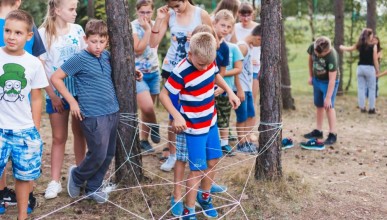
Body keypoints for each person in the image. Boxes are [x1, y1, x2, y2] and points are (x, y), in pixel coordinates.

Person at [51, 19, 143, 203]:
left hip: (112, 111)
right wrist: (72, 102)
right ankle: (77, 176)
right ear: (86, 39)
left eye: (102, 42)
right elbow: (56, 78)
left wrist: (133, 72)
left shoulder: (107, 56)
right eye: (94, 41)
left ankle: (93, 187)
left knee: (109, 153)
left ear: (107, 40)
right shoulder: (79, 59)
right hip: (92, 114)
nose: (98, 46)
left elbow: (118, 70)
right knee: (98, 152)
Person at [160, 32, 240, 219]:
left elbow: (215, 74)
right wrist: (177, 115)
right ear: (190, 54)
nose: (204, 68)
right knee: (196, 169)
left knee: (213, 162)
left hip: (210, 122)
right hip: (193, 129)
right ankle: (189, 210)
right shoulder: (181, 71)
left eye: (207, 64)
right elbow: (164, 95)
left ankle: (205, 198)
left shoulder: (208, 62)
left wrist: (230, 91)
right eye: (200, 64)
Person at [149, 0, 215, 172]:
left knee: (194, 111)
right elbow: (153, 43)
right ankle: (173, 154)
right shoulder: (169, 15)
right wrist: (159, 19)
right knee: (174, 114)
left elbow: (213, 40)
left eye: (177, 5)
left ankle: (196, 153)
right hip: (173, 70)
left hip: (195, 71)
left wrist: (196, 39)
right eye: (172, 6)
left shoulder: (201, 14)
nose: (175, 9)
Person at [0, 9, 48, 219]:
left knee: (23, 176)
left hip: (24, 131)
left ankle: (22, 215)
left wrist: (35, 128)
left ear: (29, 36)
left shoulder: (34, 63)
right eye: (8, 30)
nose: (11, 36)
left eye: (18, 33)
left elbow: (36, 97)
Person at [39, 0, 87, 200]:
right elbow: (41, 67)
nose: (75, 12)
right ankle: (55, 181)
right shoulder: (43, 34)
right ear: (57, 10)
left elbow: (87, 56)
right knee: (59, 137)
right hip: (56, 93)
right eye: (72, 9)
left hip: (79, 91)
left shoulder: (77, 30)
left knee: (80, 134)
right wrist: (51, 94)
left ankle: (80, 177)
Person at [132, 0, 160, 153]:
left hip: (154, 72)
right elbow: (138, 50)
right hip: (138, 74)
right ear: (137, 12)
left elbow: (155, 45)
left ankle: (144, 140)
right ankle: (155, 126)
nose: (145, 15)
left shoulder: (156, 24)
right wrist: (147, 30)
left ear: (152, 12)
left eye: (148, 12)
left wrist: (151, 28)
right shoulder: (132, 26)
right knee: (147, 107)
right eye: (142, 12)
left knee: (146, 111)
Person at [302, 36, 340, 150]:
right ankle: (318, 131)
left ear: (327, 51)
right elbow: (310, 60)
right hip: (317, 80)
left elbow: (332, 80)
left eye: (321, 55)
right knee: (319, 105)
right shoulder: (313, 47)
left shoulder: (332, 56)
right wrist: (311, 76)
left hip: (329, 82)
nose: (317, 56)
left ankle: (333, 133)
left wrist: (328, 97)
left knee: (328, 106)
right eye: (316, 53)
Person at [213, 9, 241, 156]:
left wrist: (220, 86)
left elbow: (222, 71)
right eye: (223, 25)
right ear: (214, 23)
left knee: (224, 115)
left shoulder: (225, 47)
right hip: (203, 87)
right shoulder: (206, 39)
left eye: (229, 27)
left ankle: (224, 144)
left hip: (221, 87)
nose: (225, 29)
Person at [231, 2, 260, 141]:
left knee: (251, 103)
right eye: (243, 14)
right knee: (242, 107)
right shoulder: (236, 30)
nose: (246, 18)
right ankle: (242, 138)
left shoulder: (257, 28)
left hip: (253, 69)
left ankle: (249, 133)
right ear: (238, 14)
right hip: (241, 71)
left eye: (249, 15)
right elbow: (236, 50)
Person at [234, 24, 261, 154]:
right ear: (258, 38)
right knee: (242, 117)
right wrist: (239, 89)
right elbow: (235, 70)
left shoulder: (248, 46)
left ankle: (247, 140)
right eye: (260, 43)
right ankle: (241, 143)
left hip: (247, 87)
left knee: (250, 114)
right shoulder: (242, 47)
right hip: (241, 88)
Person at [340, 28, 379, 114]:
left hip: (360, 68)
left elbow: (350, 48)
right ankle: (372, 108)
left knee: (361, 88)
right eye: (372, 34)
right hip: (369, 68)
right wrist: (377, 69)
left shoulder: (360, 45)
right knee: (372, 88)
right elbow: (375, 59)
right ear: (370, 35)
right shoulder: (374, 46)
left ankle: (362, 107)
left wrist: (342, 47)